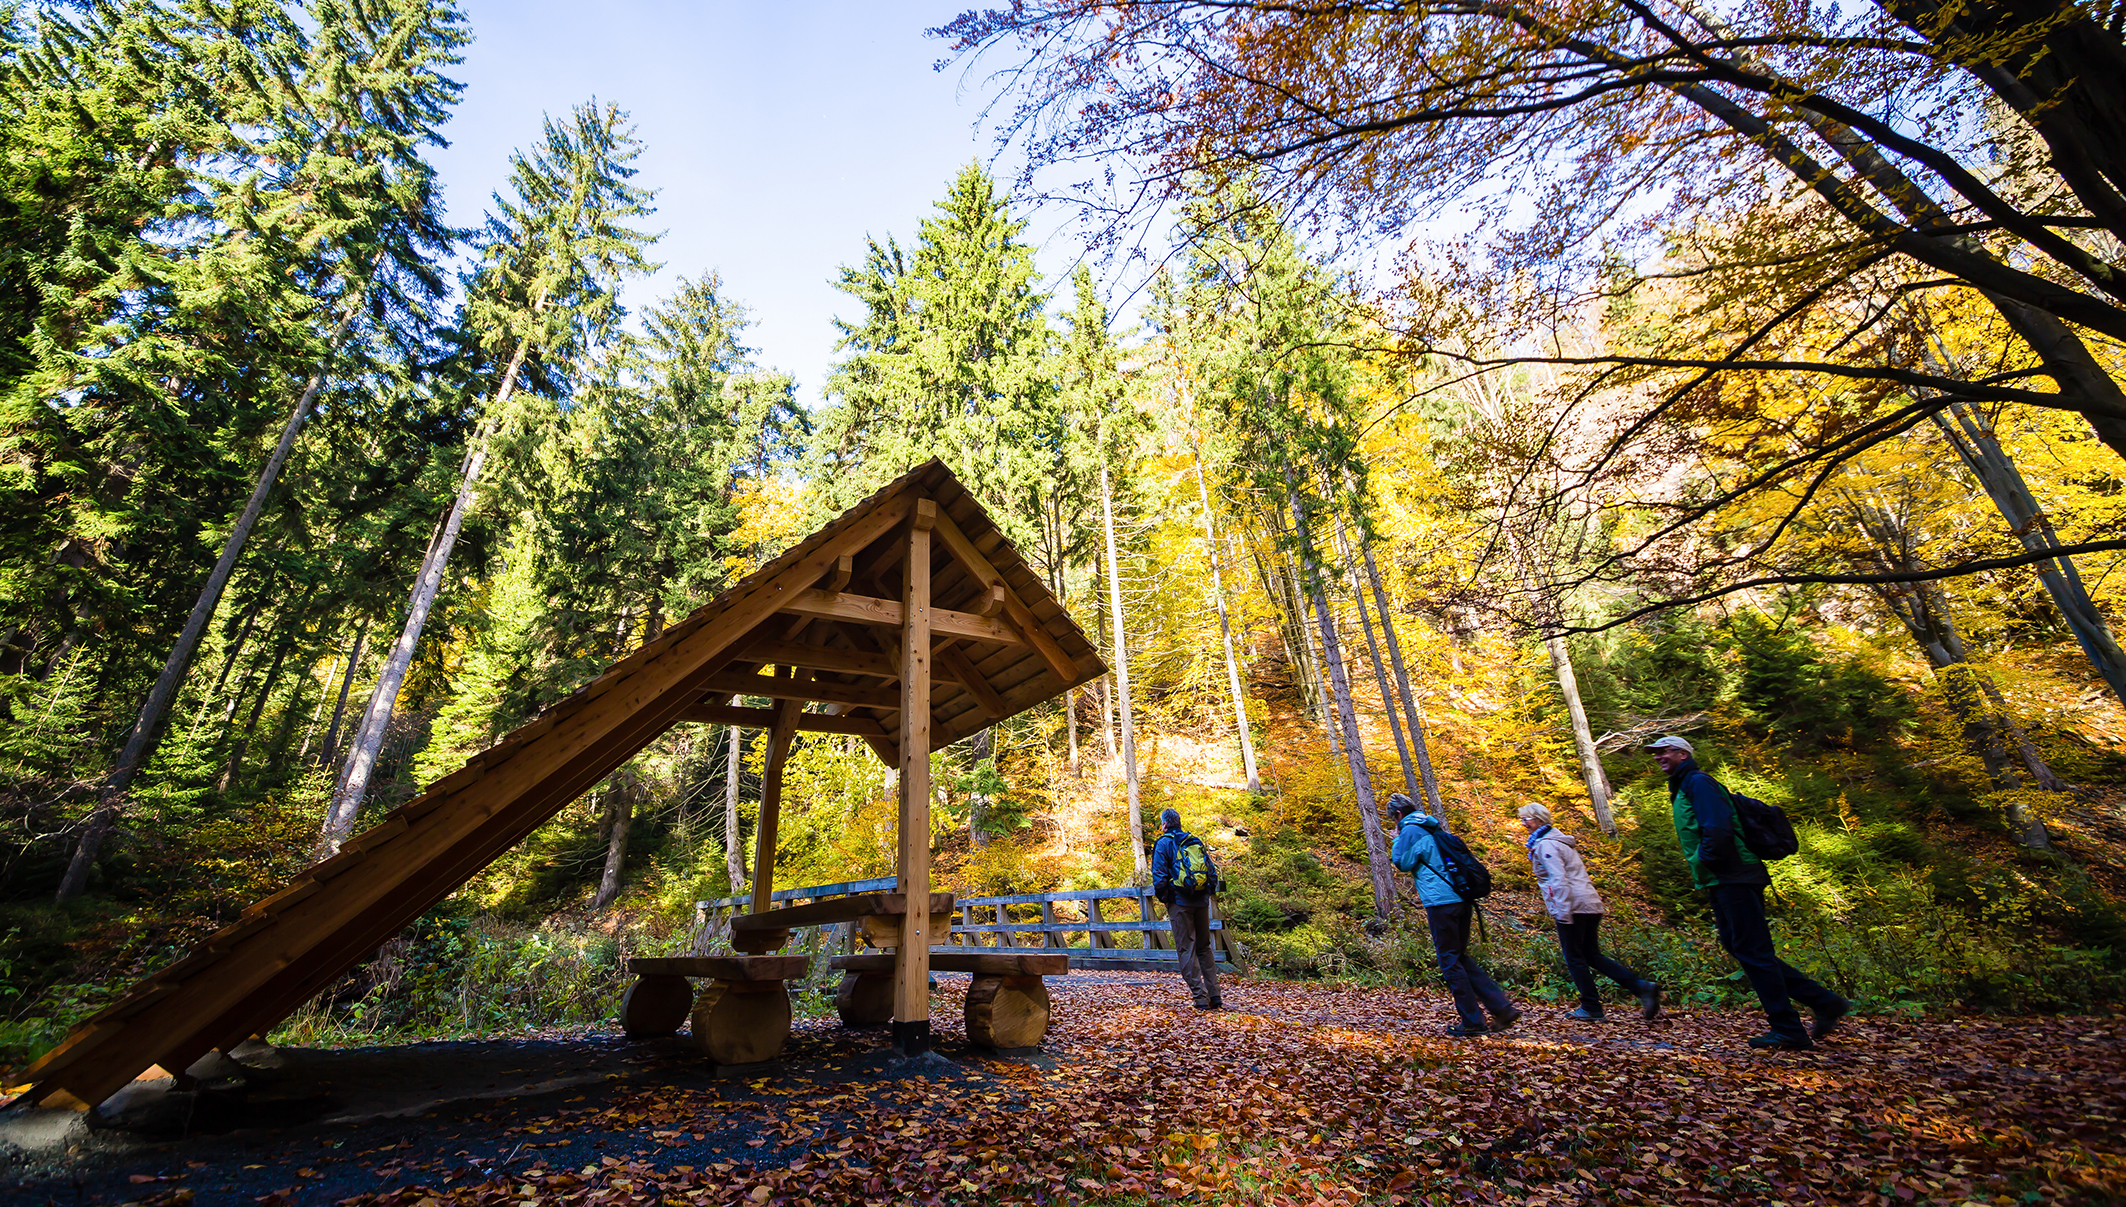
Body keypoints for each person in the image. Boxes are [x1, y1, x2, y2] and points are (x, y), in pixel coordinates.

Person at [1650, 735, 1850, 1050]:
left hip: (1734, 875)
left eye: (1664, 752)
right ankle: (1824, 1002)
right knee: (1741, 946)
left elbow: (1718, 827)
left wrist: (1708, 860)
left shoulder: (1698, 782)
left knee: (1753, 951)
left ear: (1683, 754)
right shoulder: (1684, 784)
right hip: (1724, 877)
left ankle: (1789, 1027)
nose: (1658, 757)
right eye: (1656, 753)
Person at [1389, 793, 1521, 1037]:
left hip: (1441, 902)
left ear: (1398, 815)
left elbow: (1402, 863)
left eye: (1392, 818)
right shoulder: (1430, 826)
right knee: (1460, 956)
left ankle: (1473, 1021)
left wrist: (1396, 840)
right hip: (1461, 898)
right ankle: (1501, 1008)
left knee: (1449, 961)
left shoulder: (1409, 831)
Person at [1518, 803, 1661, 1022]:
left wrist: (1562, 911)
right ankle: (1641, 987)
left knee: (1574, 957)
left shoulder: (1546, 846)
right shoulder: (1560, 841)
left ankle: (1591, 1006)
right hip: (1589, 903)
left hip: (1573, 906)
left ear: (1538, 819)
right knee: (1591, 954)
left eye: (1526, 819)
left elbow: (1558, 879)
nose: (1523, 824)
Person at [1151, 807, 1222, 1009]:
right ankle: (1215, 995)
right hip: (1201, 902)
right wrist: (1206, 894)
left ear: (1165, 824)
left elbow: (1159, 877)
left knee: (1185, 949)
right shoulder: (1194, 841)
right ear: (1179, 822)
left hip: (1179, 903)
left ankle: (1200, 998)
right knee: (1204, 947)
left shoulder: (1163, 843)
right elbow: (1211, 872)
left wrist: (1167, 899)